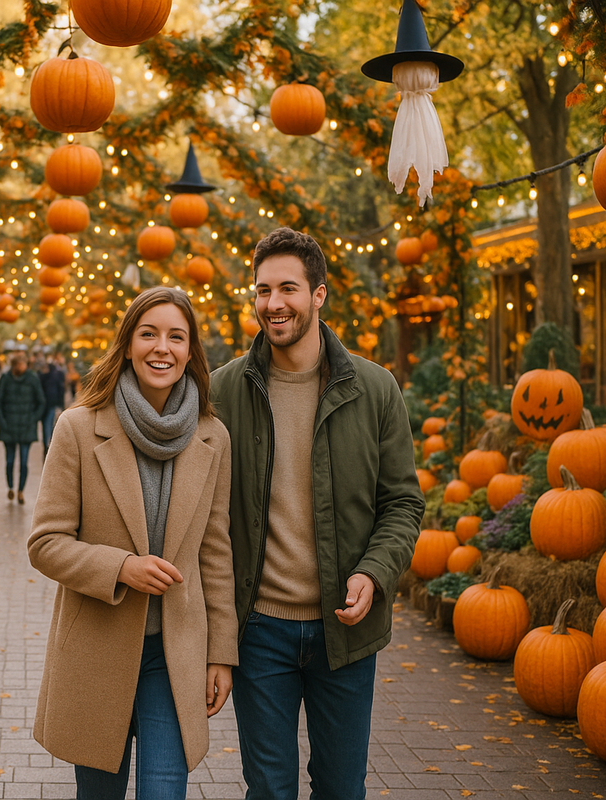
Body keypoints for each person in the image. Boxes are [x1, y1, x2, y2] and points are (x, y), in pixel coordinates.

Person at [210, 227, 425, 800]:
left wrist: (373, 573)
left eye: (287, 289)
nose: (273, 304)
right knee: (270, 789)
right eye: (262, 291)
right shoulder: (223, 392)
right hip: (260, 631)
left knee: (340, 786)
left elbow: (403, 503)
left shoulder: (374, 389)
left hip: (345, 633)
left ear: (319, 295)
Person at [28, 287, 238, 800]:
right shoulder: (78, 429)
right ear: (127, 345)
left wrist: (221, 654)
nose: (161, 347)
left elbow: (216, 554)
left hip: (175, 654)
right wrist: (120, 567)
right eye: (148, 333)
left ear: (191, 353)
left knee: (165, 791)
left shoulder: (213, 437)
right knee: (99, 792)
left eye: (176, 336)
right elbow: (45, 542)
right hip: (97, 648)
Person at [0, 351, 45, 504]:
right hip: (8, 427)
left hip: (26, 427)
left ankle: (21, 490)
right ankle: (10, 487)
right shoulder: (5, 379)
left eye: (23, 364)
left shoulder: (32, 379)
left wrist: (33, 420)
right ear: (14, 365)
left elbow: (41, 401)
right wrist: (2, 422)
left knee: (23, 462)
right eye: (19, 364)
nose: (21, 367)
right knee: (9, 461)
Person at [39, 353, 66, 457]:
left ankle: (48, 445)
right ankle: (47, 444)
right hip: (47, 405)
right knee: (47, 426)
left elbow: (60, 390)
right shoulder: (45, 375)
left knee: (48, 426)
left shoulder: (56, 374)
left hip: (50, 404)